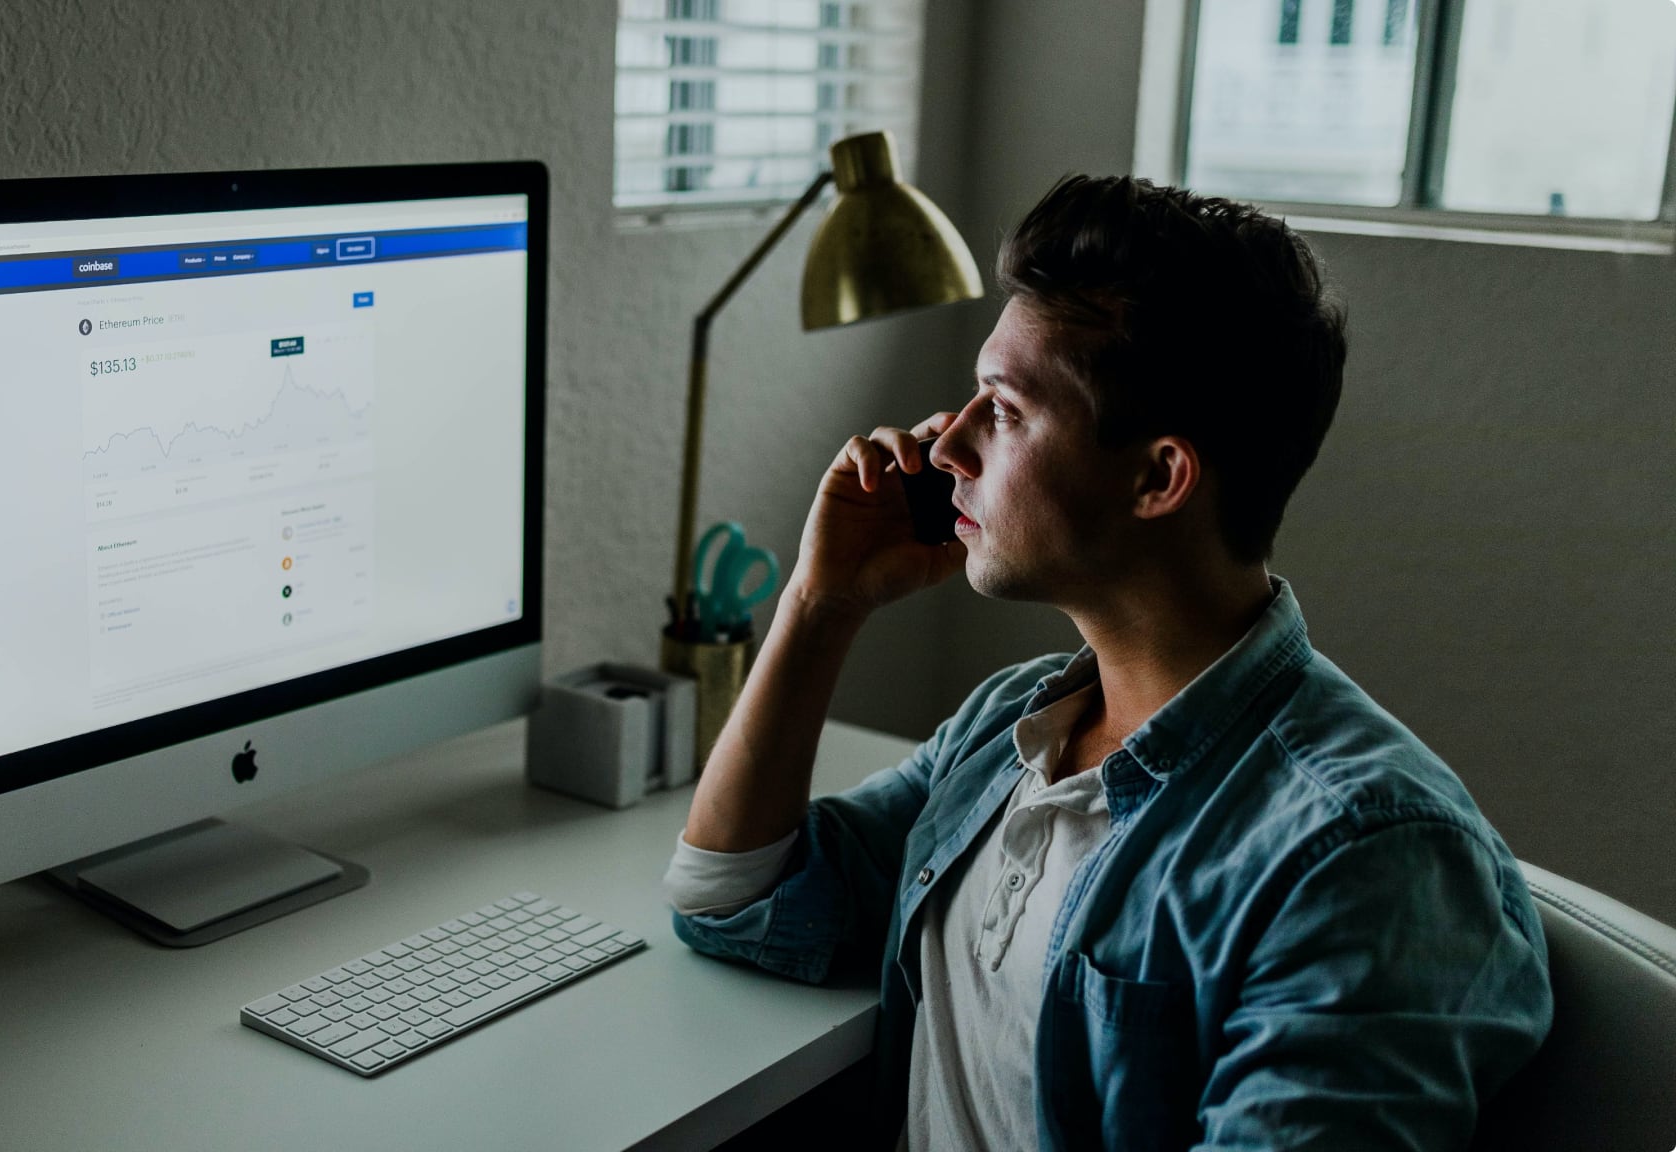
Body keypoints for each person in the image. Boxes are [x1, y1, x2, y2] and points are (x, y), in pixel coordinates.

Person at [665, 174, 1552, 1151]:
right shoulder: (1017, 729)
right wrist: (819, 606)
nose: (947, 442)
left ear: (1158, 477)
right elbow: (734, 901)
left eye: (1002, 409)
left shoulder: (1362, 857)